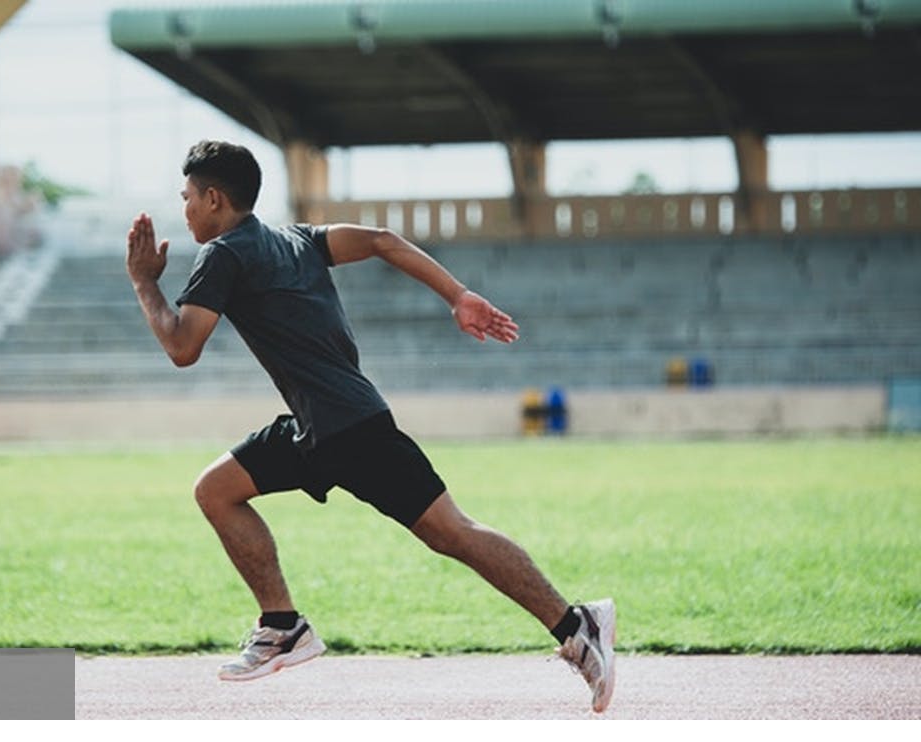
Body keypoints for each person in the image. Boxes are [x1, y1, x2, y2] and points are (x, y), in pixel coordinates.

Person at [125, 140, 616, 713]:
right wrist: (457, 295)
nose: (184, 209)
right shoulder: (298, 240)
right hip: (321, 426)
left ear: (214, 199)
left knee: (452, 533)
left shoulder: (223, 254)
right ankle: (281, 625)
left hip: (347, 429)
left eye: (187, 197)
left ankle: (575, 625)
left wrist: (144, 282)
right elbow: (382, 240)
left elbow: (183, 347)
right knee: (216, 490)